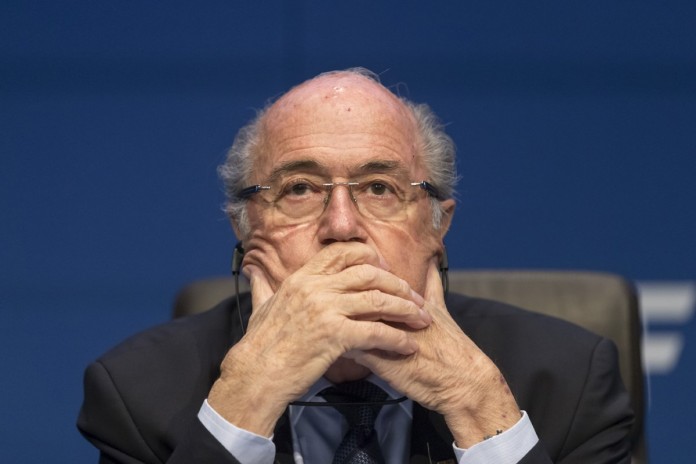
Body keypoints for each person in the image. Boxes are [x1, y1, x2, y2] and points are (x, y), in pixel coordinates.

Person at [78, 68, 634, 463]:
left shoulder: (566, 381)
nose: (341, 225)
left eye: (379, 188)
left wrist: (475, 403)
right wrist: (248, 397)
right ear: (245, 229)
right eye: (299, 189)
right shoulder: (140, 393)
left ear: (436, 228)